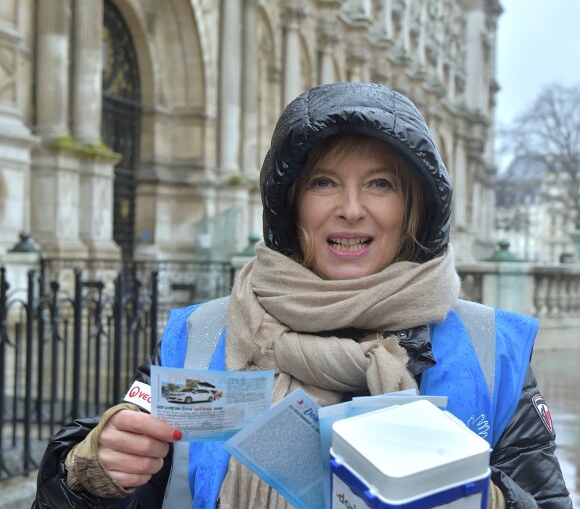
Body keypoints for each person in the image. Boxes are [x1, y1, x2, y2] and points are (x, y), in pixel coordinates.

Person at [33, 82, 572, 508]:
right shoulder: (202, 336)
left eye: (381, 184)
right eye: (323, 183)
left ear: (415, 208)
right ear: (289, 205)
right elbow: (114, 476)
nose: (352, 208)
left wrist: (488, 502)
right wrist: (89, 473)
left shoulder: (488, 348)